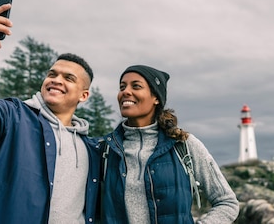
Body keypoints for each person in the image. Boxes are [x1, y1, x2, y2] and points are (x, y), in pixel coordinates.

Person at [0, 4, 100, 224]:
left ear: (84, 96)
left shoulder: (92, 150)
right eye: (52, 74)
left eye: (68, 78)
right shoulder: (13, 117)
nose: (56, 80)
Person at [101, 65, 239, 223]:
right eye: (122, 87)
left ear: (156, 98)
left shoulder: (184, 145)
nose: (125, 91)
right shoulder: (106, 150)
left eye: (136, 86)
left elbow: (227, 202)